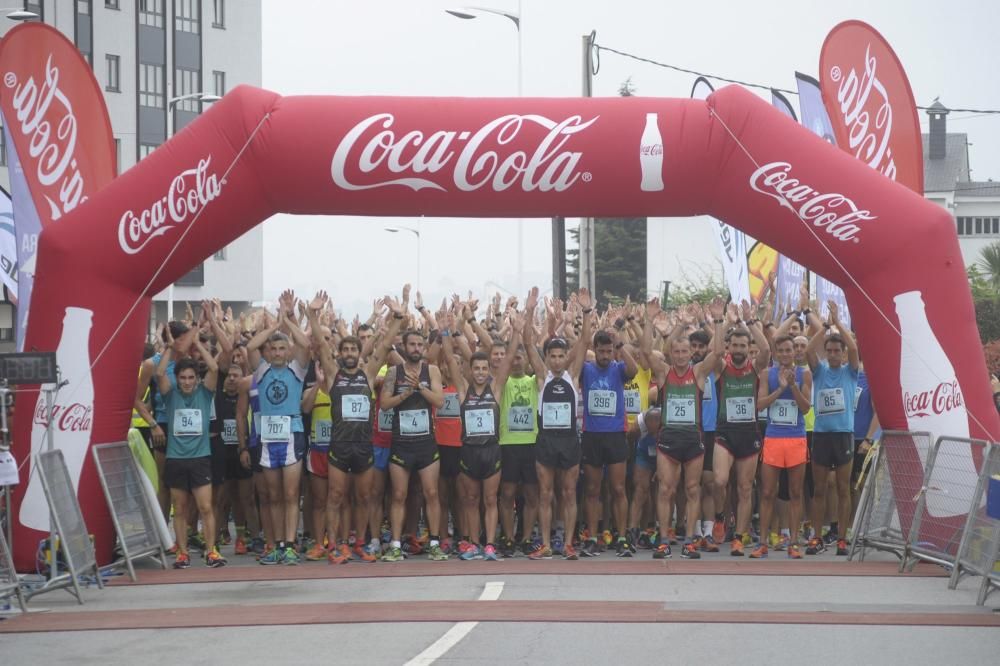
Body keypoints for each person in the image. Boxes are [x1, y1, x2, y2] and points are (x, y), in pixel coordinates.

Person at [306, 289, 407, 564]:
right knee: (336, 496)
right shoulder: (333, 374)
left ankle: (360, 542)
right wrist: (313, 314)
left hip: (364, 445)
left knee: (364, 497)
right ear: (339, 353)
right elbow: (319, 342)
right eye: (346, 349)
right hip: (339, 445)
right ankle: (336, 545)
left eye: (353, 349)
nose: (350, 353)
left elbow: (385, 345)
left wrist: (398, 316)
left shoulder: (369, 372)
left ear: (358, 352)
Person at [643, 297, 722, 559]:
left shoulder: (698, 373)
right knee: (666, 489)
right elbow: (645, 352)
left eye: (684, 352)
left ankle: (689, 541)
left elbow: (719, 352)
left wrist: (719, 320)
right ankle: (664, 540)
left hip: (692, 440)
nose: (679, 356)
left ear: (690, 353)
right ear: (671, 353)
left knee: (692, 489)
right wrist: (648, 320)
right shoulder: (664, 372)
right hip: (668, 440)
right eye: (675, 352)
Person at [439, 310, 520, 560]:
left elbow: (506, 362)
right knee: (470, 499)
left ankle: (490, 545)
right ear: (470, 370)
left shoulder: (496, 389)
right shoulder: (463, 391)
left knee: (490, 499)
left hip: (491, 451)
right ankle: (473, 543)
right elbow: (452, 363)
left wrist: (517, 330)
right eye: (477, 368)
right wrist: (445, 332)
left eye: (485, 368)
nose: (482, 372)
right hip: (469, 452)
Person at [244, 290, 312, 565]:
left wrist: (288, 320)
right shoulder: (261, 370)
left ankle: (290, 544)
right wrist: (274, 326)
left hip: (292, 433)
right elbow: (250, 348)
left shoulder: (297, 369)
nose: (278, 353)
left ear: (288, 351)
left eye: (283, 348)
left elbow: (306, 344)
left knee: (291, 493)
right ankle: (275, 544)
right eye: (273, 349)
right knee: (271, 495)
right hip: (267, 437)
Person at [526, 290, 589, 561]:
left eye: (561, 356)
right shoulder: (543, 377)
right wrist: (529, 313)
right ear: (548, 357)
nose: (556, 360)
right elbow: (529, 344)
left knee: (569, 493)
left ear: (566, 357)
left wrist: (586, 314)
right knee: (545, 494)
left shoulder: (573, 375)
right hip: (546, 442)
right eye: (552, 356)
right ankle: (546, 544)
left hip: (569, 441)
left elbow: (585, 341)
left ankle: (568, 543)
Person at [156, 327, 226, 569]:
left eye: (190, 378)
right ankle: (182, 553)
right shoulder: (170, 395)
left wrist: (197, 342)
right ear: (178, 379)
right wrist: (168, 348)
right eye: (182, 378)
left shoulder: (205, 394)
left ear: (196, 379)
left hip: (200, 458)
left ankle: (211, 551)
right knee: (181, 509)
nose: (186, 382)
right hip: (176, 458)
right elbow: (159, 373)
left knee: (206, 507)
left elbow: (215, 369)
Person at [379, 328, 448, 562]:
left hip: (426, 443)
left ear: (424, 348)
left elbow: (439, 400)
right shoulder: (393, 372)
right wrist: (405, 394)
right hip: (401, 443)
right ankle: (396, 544)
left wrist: (420, 387)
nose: (416, 349)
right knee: (399, 494)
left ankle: (435, 542)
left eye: (420, 345)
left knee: (431, 493)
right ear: (404, 347)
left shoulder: (432, 371)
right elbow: (385, 405)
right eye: (412, 345)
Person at [579, 289, 639, 557]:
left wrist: (621, 344)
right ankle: (592, 536)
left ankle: (622, 537)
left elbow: (635, 370)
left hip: (615, 435)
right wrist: (587, 314)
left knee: (617, 488)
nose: (604, 355)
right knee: (592, 489)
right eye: (601, 351)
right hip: (592, 435)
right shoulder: (586, 368)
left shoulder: (617, 368)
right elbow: (579, 347)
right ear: (595, 350)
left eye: (608, 351)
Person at [711, 302, 771, 557]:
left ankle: (739, 537)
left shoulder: (755, 368)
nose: (737, 350)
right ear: (729, 347)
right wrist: (719, 322)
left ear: (748, 348)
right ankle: (720, 517)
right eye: (734, 345)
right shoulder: (722, 367)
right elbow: (714, 354)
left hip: (748, 433)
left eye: (742, 346)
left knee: (745, 488)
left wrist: (750, 321)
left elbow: (767, 349)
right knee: (720, 480)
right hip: (725, 432)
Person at [805, 301, 859, 556]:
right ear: (826, 353)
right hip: (822, 436)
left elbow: (854, 346)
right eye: (831, 350)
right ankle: (816, 537)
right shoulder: (819, 372)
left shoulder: (850, 372)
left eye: (838, 350)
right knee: (819, 489)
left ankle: (841, 538)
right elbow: (807, 350)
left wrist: (838, 323)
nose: (835, 354)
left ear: (843, 353)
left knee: (842, 487)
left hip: (843, 436)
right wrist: (825, 326)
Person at [752, 335, 812, 559]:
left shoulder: (804, 374)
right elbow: (759, 405)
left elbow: (806, 409)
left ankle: (794, 543)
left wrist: (793, 387)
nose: (786, 354)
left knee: (796, 492)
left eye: (790, 350)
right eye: (782, 350)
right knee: (767, 492)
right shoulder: (767, 374)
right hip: (774, 438)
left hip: (796, 438)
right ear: (776, 353)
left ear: (795, 353)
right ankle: (763, 543)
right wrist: (780, 389)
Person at [497, 289, 542, 558]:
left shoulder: (534, 381)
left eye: (520, 356)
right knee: (507, 494)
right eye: (512, 356)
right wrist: (513, 332)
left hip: (531, 445)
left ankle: (526, 538)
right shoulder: (502, 382)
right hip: (507, 445)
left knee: (533, 495)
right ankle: (509, 537)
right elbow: (510, 352)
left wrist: (529, 312)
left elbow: (533, 349)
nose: (516, 359)